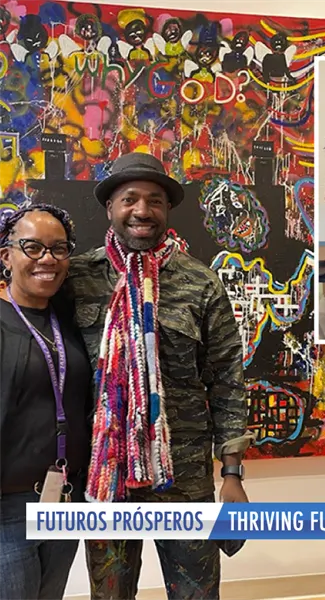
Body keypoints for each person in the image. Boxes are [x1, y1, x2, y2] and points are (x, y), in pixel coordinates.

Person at [64, 152, 254, 599]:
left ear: (167, 211)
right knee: (109, 594)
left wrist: (232, 474)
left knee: (197, 595)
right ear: (110, 207)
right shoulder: (76, 279)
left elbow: (227, 381)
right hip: (106, 477)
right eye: (129, 199)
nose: (142, 211)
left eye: (154, 200)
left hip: (183, 482)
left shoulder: (200, 283)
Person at [0, 204, 93, 600]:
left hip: (63, 500)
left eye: (59, 249)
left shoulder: (68, 322)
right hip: (8, 510)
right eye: (33, 247)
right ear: (7, 256)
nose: (48, 260)